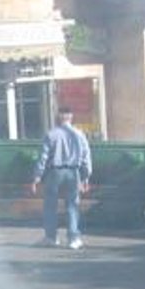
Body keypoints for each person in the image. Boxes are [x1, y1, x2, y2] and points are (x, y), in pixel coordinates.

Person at [31, 105, 92, 249]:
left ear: (58, 117)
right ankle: (73, 239)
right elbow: (86, 157)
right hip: (74, 172)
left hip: (55, 172)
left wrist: (37, 177)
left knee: (50, 206)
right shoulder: (79, 134)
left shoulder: (51, 134)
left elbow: (43, 158)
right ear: (71, 117)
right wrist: (86, 177)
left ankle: (51, 237)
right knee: (72, 206)